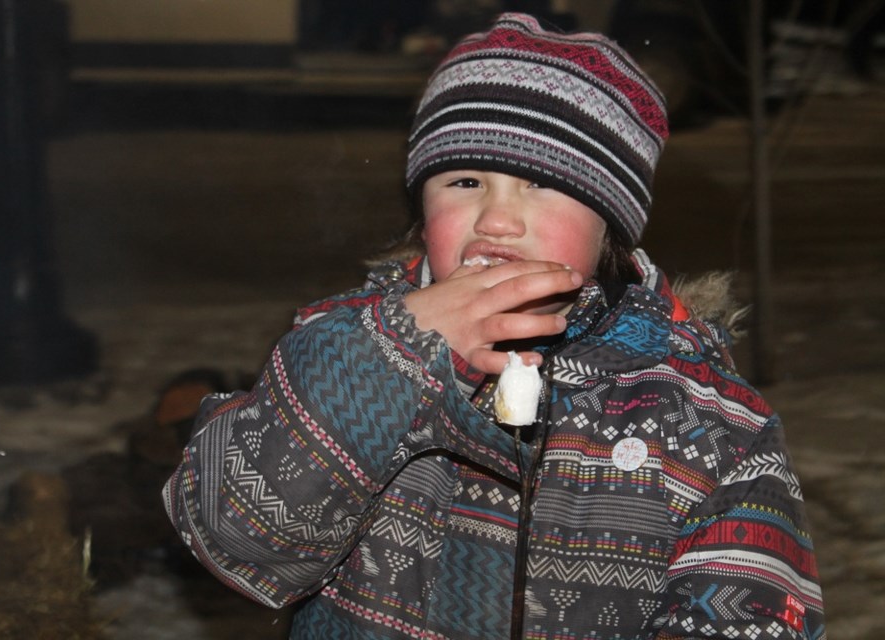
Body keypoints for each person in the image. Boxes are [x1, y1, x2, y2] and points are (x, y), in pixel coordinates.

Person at [163, 13, 825, 639]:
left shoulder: (702, 415)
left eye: (542, 184)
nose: (498, 219)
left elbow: (755, 610)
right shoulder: (342, 347)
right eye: (465, 181)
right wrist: (392, 356)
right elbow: (238, 540)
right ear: (421, 211)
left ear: (609, 228)